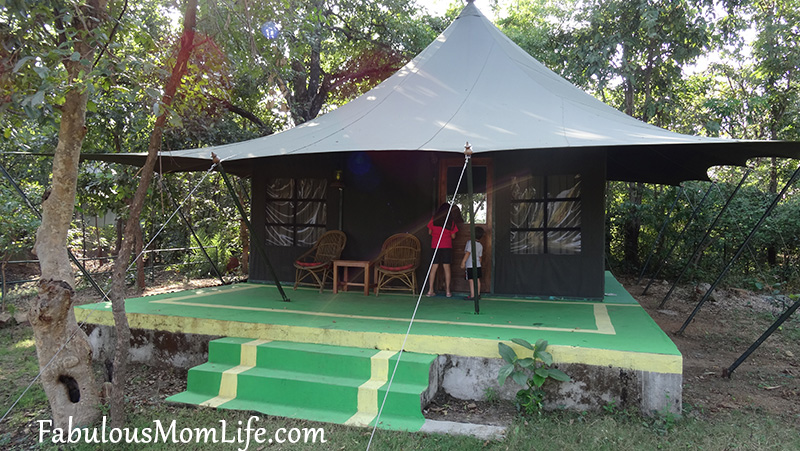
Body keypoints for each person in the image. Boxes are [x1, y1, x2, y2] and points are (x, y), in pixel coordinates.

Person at [426, 203, 459, 297]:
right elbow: (453, 236)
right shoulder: (450, 221)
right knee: (446, 267)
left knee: (434, 267)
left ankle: (430, 290)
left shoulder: (434, 219)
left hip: (435, 246)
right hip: (446, 246)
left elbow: (429, 232)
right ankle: (448, 291)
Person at [460, 226, 485, 300]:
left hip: (470, 265)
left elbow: (468, 253)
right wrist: (479, 263)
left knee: (471, 280)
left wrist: (463, 262)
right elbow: (480, 257)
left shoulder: (470, 243)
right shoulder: (480, 245)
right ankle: (478, 294)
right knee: (477, 279)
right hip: (478, 265)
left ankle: (473, 295)